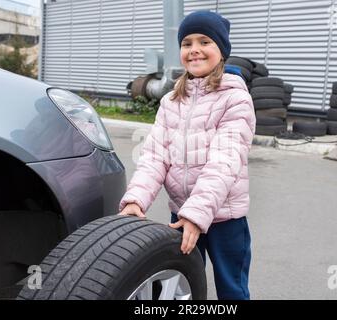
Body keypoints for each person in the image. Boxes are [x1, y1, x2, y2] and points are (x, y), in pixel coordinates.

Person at [119, 10, 256, 300]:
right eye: (187, 43)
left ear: (221, 50)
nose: (194, 50)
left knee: (232, 289)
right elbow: (155, 155)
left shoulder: (235, 98)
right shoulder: (171, 100)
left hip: (224, 220)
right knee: (181, 284)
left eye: (204, 41)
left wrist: (197, 214)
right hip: (181, 214)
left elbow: (224, 162)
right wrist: (135, 200)